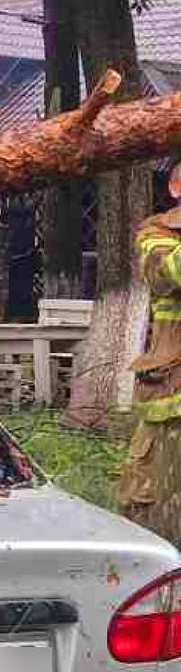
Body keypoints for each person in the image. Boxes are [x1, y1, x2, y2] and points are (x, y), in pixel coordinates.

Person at [122, 156, 181, 542]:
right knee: (162, 502)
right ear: (178, 188)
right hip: (174, 391)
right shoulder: (157, 234)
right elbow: (170, 275)